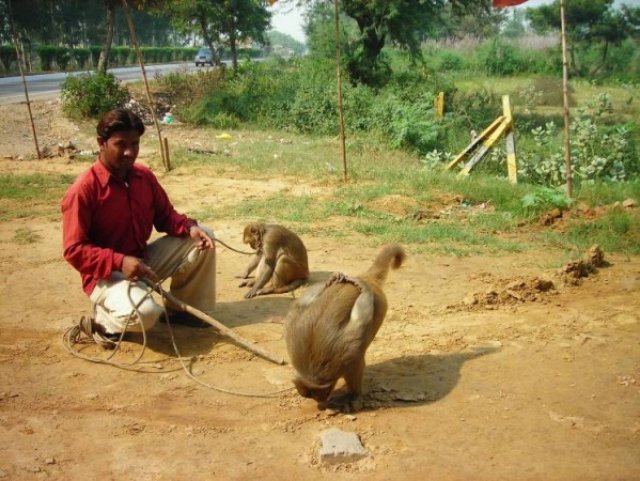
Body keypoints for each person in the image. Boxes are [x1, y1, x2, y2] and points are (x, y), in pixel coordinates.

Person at [61, 108, 216, 347]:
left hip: (142, 262)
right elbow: (74, 250)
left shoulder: (143, 176)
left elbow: (165, 216)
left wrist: (188, 227)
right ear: (101, 143)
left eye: (135, 144)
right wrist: (119, 262)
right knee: (145, 314)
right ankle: (103, 322)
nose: (129, 152)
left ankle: (182, 313)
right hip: (105, 275)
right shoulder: (83, 190)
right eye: (120, 144)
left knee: (204, 237)